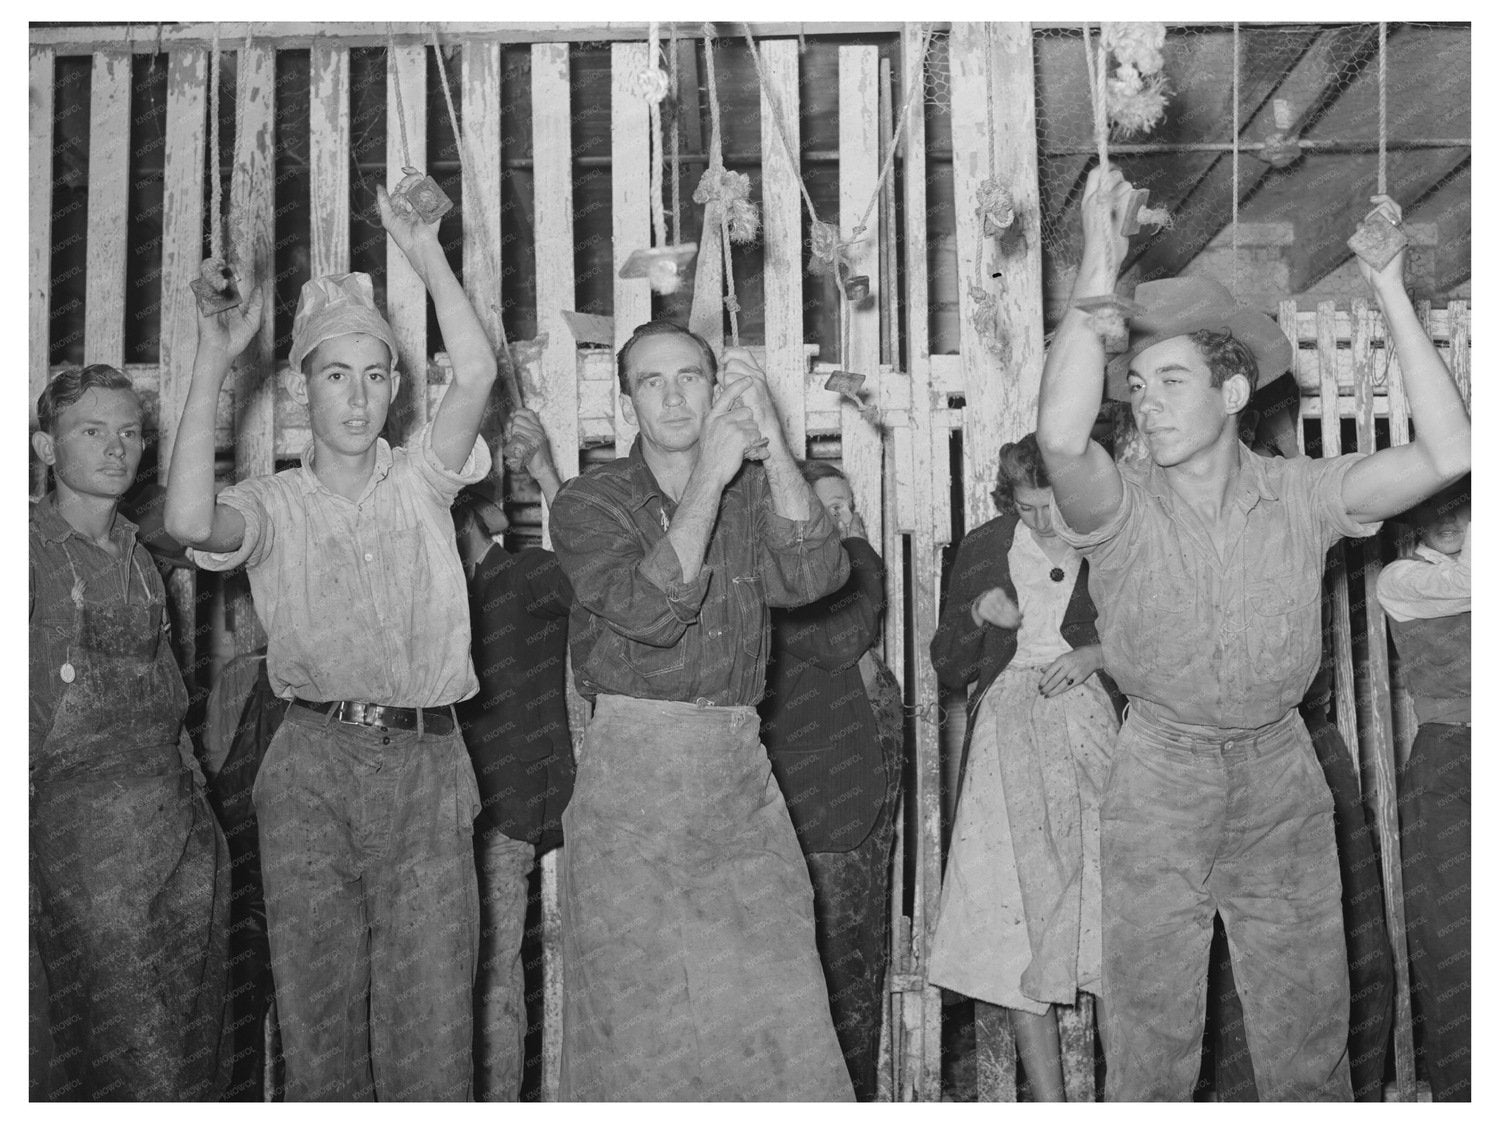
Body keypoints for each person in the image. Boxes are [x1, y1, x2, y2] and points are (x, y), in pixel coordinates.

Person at [1035, 174, 1470, 1101]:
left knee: (1308, 1037)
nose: (1147, 404)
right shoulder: (1120, 508)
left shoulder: (1304, 496)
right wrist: (1099, 266)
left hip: (1281, 775)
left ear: (1233, 390)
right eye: (1137, 387)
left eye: (1172, 382)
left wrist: (1388, 289)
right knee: (1151, 1044)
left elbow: (1450, 454)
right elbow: (1063, 442)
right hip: (1159, 777)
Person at [165, 184, 496, 1101]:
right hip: (310, 764)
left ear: (396, 388)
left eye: (376, 375)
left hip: (427, 763)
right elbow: (187, 518)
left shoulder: (424, 480)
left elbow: (475, 375)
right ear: (302, 387)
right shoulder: (272, 506)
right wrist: (214, 356)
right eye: (336, 375)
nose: (357, 397)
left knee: (434, 1028)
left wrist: (425, 251)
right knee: (319, 1025)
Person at [548, 319, 853, 1101]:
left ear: (715, 389)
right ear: (629, 404)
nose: (674, 396)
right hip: (634, 770)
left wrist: (773, 449)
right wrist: (711, 478)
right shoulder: (589, 500)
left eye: (689, 376)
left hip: (736, 763)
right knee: (637, 1018)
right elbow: (651, 611)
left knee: (775, 1001)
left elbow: (816, 575)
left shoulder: (755, 493)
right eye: (652, 382)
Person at [29, 364, 230, 1100]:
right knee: (113, 1051)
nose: (117, 449)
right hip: (80, 846)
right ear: (46, 448)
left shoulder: (142, 557)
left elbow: (172, 700)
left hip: (176, 836)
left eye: (130, 433)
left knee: (193, 1046)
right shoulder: (26, 551)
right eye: (92, 431)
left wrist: (201, 819)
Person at [926, 433, 1120, 1102]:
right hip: (1004, 741)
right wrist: (979, 617)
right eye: (1027, 507)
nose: (1040, 521)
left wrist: (1095, 655)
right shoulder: (984, 546)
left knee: (1107, 918)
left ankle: (1133, 1095)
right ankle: (1050, 1104)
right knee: (1016, 928)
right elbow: (948, 665)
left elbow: (1155, 637)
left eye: (1052, 506)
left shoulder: (1111, 536)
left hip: (1091, 733)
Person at [758, 461, 904, 1101]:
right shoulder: (796, 584)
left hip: (856, 814)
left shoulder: (833, 587)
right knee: (827, 981)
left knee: (856, 971)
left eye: (850, 508)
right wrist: (860, 550)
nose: (846, 522)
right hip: (817, 811)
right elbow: (843, 640)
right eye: (829, 511)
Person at [452, 409, 575, 1102]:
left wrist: (547, 475)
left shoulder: (523, 575)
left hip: (504, 810)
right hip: (442, 809)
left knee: (492, 973)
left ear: (463, 519)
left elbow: (590, 570)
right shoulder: (438, 596)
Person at [1376, 480, 1470, 1102]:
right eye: (1430, 505)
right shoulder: (1400, 579)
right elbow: (1472, 584)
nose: (1447, 518)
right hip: (1451, 760)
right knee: (1455, 937)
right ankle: (1465, 1093)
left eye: (1460, 503)